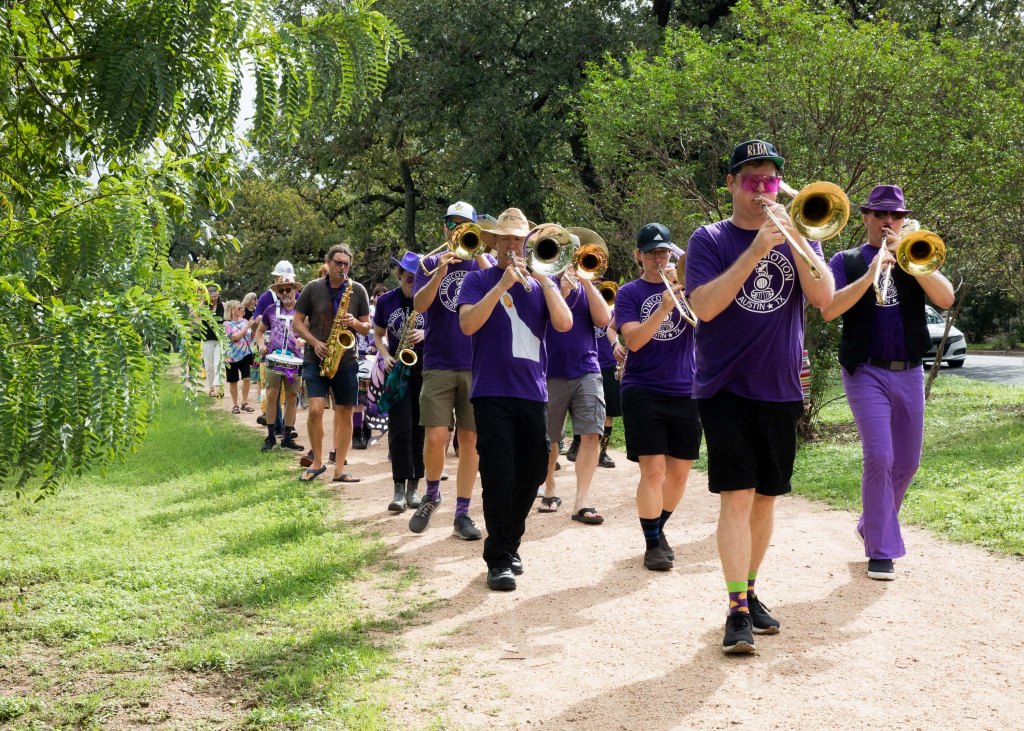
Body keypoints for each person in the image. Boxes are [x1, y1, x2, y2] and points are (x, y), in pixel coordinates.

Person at [685, 139, 834, 654]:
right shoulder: (707, 240)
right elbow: (704, 307)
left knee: (767, 499)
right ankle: (735, 610)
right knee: (738, 495)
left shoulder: (797, 236)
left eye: (770, 178)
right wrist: (755, 250)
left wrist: (795, 239)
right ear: (730, 184)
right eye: (751, 178)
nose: (762, 187)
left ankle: (749, 590)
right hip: (724, 386)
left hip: (780, 387)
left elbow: (826, 298)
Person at [820, 185, 954, 581]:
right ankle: (881, 550)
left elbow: (945, 299)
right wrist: (873, 270)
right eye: (879, 214)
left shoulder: (916, 258)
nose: (887, 221)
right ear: (864, 217)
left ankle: (873, 523)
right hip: (866, 371)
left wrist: (910, 258)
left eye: (894, 216)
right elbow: (829, 309)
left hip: (909, 371)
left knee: (908, 462)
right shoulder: (845, 260)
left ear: (902, 220)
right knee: (880, 457)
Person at [458, 207, 573, 590]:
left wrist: (547, 281)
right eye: (505, 239)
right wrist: (502, 286)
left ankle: (509, 542)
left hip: (532, 392)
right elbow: (468, 323)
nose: (512, 245)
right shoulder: (478, 280)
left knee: (533, 472)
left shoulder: (540, 284)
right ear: (494, 242)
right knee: (498, 474)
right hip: (491, 392)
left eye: (518, 239)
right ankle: (499, 559)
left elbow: (564, 323)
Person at [615, 224, 702, 571]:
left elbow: (707, 322)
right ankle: (652, 544)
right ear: (638, 256)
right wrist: (664, 308)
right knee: (653, 470)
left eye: (663, 252)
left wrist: (686, 282)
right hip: (643, 389)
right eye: (651, 252)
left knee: (679, 474)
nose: (658, 258)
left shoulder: (689, 289)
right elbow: (634, 342)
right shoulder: (629, 293)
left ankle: (658, 527)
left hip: (686, 389)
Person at [409, 201, 493, 540]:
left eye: (463, 224)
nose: (456, 229)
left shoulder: (481, 264)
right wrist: (440, 272)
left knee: (470, 439)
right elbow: (418, 305)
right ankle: (432, 494)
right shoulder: (428, 263)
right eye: (451, 223)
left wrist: (481, 253)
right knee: (435, 436)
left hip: (476, 364)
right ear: (443, 227)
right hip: (439, 362)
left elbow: (501, 292)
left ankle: (462, 512)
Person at [537, 260, 611, 524]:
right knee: (550, 438)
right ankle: (550, 488)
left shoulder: (586, 288)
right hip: (549, 372)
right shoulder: (541, 284)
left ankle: (582, 500)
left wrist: (586, 281)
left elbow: (604, 319)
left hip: (587, 369)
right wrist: (561, 292)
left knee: (592, 432)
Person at [292, 245, 371, 483]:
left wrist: (355, 323)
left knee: (345, 413)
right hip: (315, 357)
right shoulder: (312, 288)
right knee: (315, 409)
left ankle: (339, 469)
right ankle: (317, 461)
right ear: (327, 262)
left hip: (346, 360)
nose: (342, 268)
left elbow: (367, 327)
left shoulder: (357, 290)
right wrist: (314, 342)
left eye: (346, 264)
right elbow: (297, 323)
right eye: (338, 263)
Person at [373, 252, 427, 513]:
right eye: (407, 273)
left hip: (425, 370)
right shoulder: (386, 301)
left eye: (416, 274)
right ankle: (398, 487)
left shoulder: (428, 299)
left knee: (419, 428)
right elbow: (378, 333)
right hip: (397, 370)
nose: (411, 277)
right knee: (399, 428)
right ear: (399, 274)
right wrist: (384, 356)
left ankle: (414, 486)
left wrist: (425, 332)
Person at [254, 276, 305, 453]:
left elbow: (310, 331)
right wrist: (261, 346)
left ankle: (287, 437)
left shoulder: (303, 310)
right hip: (274, 358)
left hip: (295, 360)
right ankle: (270, 436)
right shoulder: (270, 310)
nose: (284, 293)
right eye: (280, 290)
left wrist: (304, 341)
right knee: (271, 395)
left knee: (292, 397)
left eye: (288, 289)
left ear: (295, 290)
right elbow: (259, 332)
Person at [223, 299, 255, 413]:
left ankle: (244, 402)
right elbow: (235, 337)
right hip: (231, 356)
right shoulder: (226, 324)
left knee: (247, 378)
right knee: (233, 381)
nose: (242, 309)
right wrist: (247, 326)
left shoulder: (245, 321)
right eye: (239, 308)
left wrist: (254, 326)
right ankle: (235, 404)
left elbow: (251, 336)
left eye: (242, 307)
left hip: (245, 353)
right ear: (232, 310)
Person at [199, 284, 225, 397]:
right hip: (207, 339)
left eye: (216, 296)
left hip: (220, 339)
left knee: (218, 364)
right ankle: (211, 388)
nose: (214, 299)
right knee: (209, 366)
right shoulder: (203, 307)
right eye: (212, 296)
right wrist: (203, 302)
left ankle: (218, 388)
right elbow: (194, 315)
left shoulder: (223, 305)